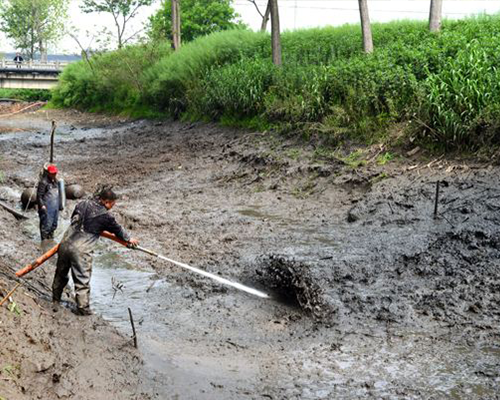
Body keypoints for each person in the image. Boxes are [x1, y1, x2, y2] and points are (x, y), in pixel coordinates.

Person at [52, 186, 139, 316]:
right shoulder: (105, 216)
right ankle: (82, 308)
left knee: (61, 273)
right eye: (112, 204)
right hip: (81, 249)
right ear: (105, 201)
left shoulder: (82, 204)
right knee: (82, 279)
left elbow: (73, 220)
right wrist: (129, 239)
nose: (112, 207)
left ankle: (55, 299)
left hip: (65, 242)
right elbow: (118, 230)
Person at [37, 164, 61, 242]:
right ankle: (44, 242)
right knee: (45, 227)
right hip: (46, 208)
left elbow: (59, 194)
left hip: (54, 208)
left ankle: (50, 240)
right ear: (48, 173)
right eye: (52, 173)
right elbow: (39, 196)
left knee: (54, 225)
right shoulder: (43, 182)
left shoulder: (56, 182)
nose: (54, 175)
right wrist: (42, 205)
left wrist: (60, 205)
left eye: (55, 173)